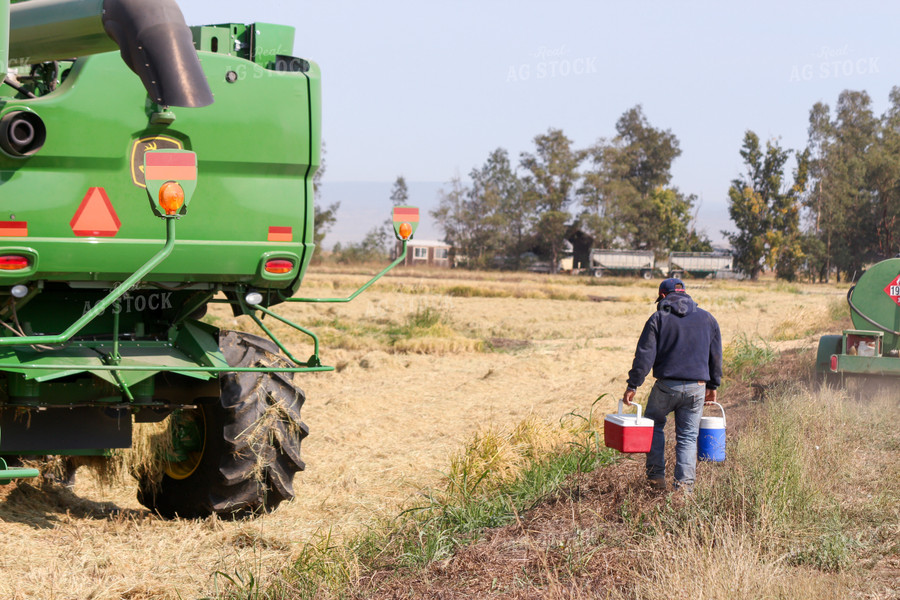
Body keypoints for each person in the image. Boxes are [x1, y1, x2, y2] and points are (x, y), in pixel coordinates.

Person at [622, 278, 722, 492]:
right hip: (696, 387)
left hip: (666, 387)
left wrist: (633, 385)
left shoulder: (658, 318)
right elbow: (715, 356)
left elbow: (644, 355)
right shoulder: (708, 319)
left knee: (654, 425)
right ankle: (684, 490)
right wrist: (713, 386)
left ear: (664, 297)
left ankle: (656, 479)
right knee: (687, 436)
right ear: (685, 294)